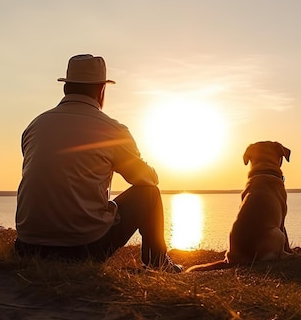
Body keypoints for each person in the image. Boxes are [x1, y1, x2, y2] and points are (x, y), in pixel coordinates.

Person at [14, 54, 182, 273]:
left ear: (66, 88)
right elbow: (147, 179)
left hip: (27, 246)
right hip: (82, 249)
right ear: (101, 90)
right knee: (149, 194)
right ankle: (157, 263)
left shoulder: (35, 125)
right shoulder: (112, 130)